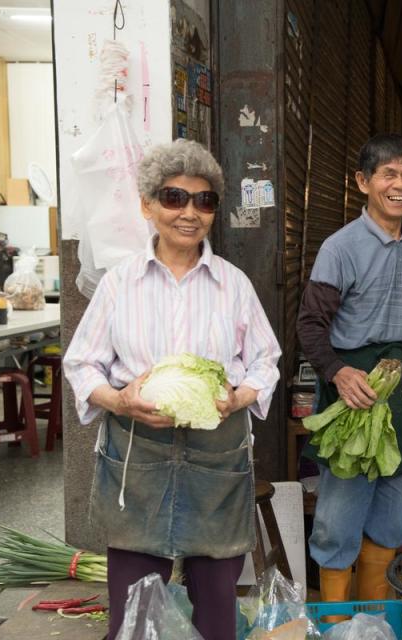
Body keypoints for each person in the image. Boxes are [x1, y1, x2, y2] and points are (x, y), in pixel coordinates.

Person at [63, 139, 281, 640]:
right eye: (174, 198)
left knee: (217, 608)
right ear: (147, 205)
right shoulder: (119, 284)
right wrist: (119, 400)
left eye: (204, 201)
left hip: (216, 458)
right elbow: (81, 365)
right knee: (135, 612)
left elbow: (265, 361)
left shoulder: (234, 284)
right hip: (139, 458)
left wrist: (239, 397)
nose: (190, 213)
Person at [297, 134, 402, 603]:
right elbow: (309, 323)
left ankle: (374, 623)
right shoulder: (340, 248)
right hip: (355, 392)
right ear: (364, 182)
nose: (399, 184)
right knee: (338, 519)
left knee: (396, 518)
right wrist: (338, 373)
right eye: (388, 174)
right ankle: (337, 623)